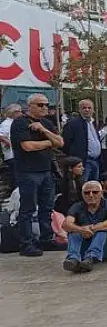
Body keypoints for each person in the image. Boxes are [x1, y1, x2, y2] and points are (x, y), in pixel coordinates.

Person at [11, 93, 66, 256]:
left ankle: (46, 239)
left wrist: (43, 130)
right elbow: (27, 146)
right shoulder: (20, 123)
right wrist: (50, 142)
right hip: (28, 172)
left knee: (47, 207)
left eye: (46, 105)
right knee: (27, 209)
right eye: (40, 105)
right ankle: (26, 243)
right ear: (30, 106)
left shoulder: (46, 123)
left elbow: (61, 142)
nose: (44, 108)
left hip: (46, 170)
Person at [60, 180, 107, 272]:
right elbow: (66, 224)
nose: (90, 195)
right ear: (82, 194)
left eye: (95, 192)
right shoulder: (77, 206)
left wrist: (92, 228)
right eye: (87, 193)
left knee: (102, 230)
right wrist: (81, 230)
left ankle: (91, 258)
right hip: (85, 245)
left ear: (101, 193)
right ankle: (73, 259)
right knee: (73, 232)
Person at [62, 99, 102, 183]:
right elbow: (66, 143)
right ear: (79, 110)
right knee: (83, 185)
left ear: (93, 110)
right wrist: (76, 157)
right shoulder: (73, 123)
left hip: (96, 161)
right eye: (84, 108)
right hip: (83, 162)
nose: (87, 110)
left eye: (89, 108)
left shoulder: (93, 123)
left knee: (93, 186)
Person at [0, 104, 21, 197]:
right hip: (11, 154)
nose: (21, 113)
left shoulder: (14, 122)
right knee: (15, 175)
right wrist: (12, 144)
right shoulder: (6, 124)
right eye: (19, 111)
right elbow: (1, 136)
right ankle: (14, 194)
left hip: (16, 153)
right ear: (13, 113)